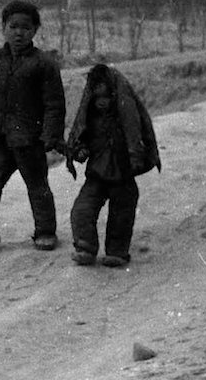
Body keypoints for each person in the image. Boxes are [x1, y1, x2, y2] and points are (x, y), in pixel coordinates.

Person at [0, 0, 66, 256]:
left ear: (35, 31)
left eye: (26, 27)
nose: (19, 32)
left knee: (37, 185)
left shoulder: (44, 64)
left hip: (29, 140)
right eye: (13, 26)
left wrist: (51, 135)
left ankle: (45, 231)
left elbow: (54, 104)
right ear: (3, 29)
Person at [65, 63, 161, 267]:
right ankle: (85, 247)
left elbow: (136, 133)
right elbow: (82, 138)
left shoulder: (126, 118)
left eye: (106, 97)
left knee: (122, 214)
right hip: (97, 174)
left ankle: (117, 252)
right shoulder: (90, 117)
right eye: (97, 98)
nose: (102, 103)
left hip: (123, 175)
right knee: (81, 210)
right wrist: (80, 150)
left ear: (114, 96)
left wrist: (136, 157)